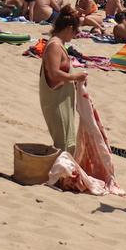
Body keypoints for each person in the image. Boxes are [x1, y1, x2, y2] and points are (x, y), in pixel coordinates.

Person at [39, 8, 86, 155]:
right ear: (69, 28)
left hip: (62, 99)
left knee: (66, 139)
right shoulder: (54, 45)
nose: (75, 35)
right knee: (62, 141)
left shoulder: (59, 44)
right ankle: (60, 174)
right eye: (75, 32)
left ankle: (63, 174)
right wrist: (76, 77)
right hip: (56, 101)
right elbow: (54, 74)